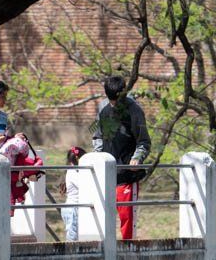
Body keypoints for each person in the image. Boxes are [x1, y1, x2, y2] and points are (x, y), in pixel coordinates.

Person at [92, 74, 151, 239]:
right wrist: (99, 157)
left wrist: (137, 158)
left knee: (126, 218)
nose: (113, 105)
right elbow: (97, 136)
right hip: (106, 175)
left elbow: (144, 142)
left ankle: (127, 253)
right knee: (102, 218)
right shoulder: (103, 108)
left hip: (127, 175)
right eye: (111, 101)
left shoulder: (134, 110)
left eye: (116, 101)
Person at [59, 145, 84, 241]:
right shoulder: (73, 172)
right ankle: (70, 255)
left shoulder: (75, 171)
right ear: (78, 159)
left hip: (73, 208)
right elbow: (84, 186)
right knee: (72, 239)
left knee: (75, 237)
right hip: (73, 209)